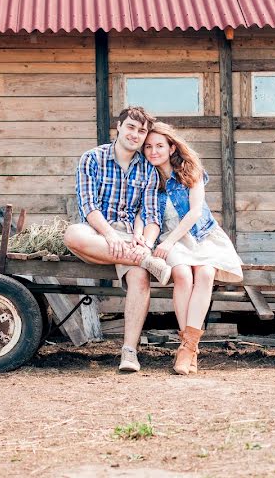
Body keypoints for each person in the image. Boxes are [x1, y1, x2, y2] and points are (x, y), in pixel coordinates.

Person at [64, 107, 173, 373]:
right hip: (97, 231)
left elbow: (151, 217)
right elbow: (88, 206)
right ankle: (147, 261)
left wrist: (145, 243)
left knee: (139, 277)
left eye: (141, 131)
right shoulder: (92, 158)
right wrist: (110, 235)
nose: (135, 135)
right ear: (119, 127)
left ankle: (129, 352)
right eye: (131, 128)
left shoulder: (147, 168)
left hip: (130, 235)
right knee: (71, 234)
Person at [135, 122, 243, 375]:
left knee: (205, 273)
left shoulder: (190, 170)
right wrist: (140, 235)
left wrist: (171, 240)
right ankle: (189, 347)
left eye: (159, 145)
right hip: (167, 239)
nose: (153, 151)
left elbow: (195, 212)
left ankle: (188, 348)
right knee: (182, 275)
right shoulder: (146, 178)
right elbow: (142, 213)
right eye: (148, 146)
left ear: (172, 147)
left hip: (201, 235)